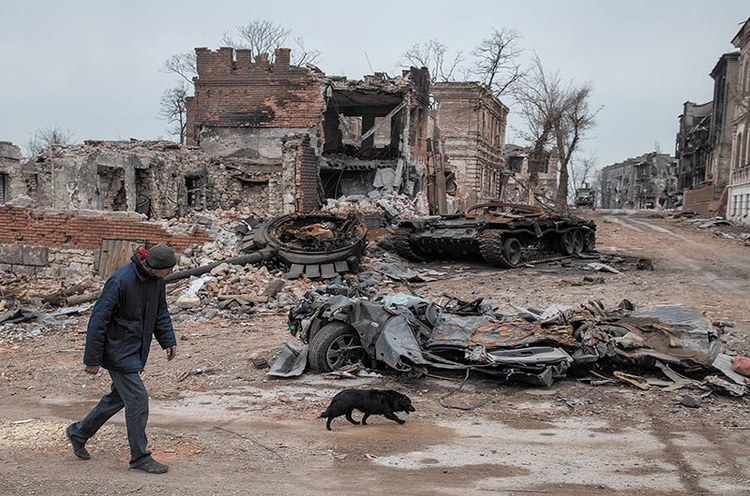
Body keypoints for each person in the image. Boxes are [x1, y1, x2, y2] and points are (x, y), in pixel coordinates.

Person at [65, 243, 178, 474]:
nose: (169, 274)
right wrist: (92, 359)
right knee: (138, 400)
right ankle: (139, 457)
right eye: (167, 270)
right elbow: (98, 320)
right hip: (117, 351)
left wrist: (168, 340)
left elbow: (160, 312)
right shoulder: (120, 280)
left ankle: (79, 432)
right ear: (152, 266)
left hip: (135, 351)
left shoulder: (156, 282)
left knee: (117, 398)